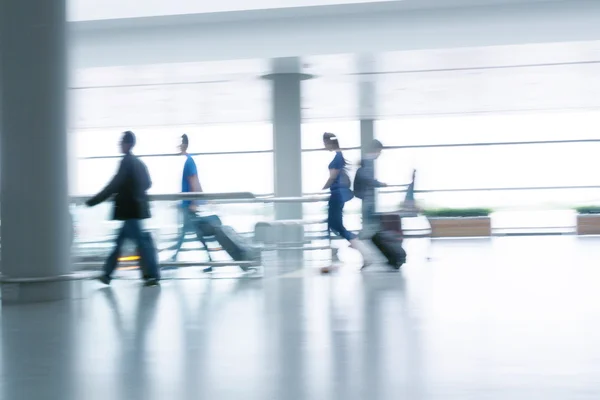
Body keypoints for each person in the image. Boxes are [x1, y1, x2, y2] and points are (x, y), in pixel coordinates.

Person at [86, 131, 160, 287]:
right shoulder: (139, 163)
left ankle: (151, 275)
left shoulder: (126, 162)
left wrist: (93, 201)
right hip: (136, 210)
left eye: (121, 142)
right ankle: (107, 274)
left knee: (138, 243)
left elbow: (113, 185)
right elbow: (148, 183)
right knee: (121, 243)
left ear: (127, 144)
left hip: (130, 211)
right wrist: (136, 191)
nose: (119, 145)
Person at [322, 132, 371, 272]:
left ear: (329, 142)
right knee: (333, 225)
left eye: (325, 142)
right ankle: (336, 255)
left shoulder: (337, 157)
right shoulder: (339, 156)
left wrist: (321, 190)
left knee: (337, 226)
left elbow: (332, 177)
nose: (324, 146)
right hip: (337, 196)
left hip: (336, 196)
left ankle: (365, 254)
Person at [170, 134, 208, 269]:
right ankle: (210, 260)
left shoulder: (189, 161)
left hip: (188, 205)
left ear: (184, 145)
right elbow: (193, 181)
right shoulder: (188, 161)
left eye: (180, 144)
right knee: (194, 233)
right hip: (187, 203)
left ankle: (174, 259)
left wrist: (193, 203)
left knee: (185, 233)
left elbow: (193, 181)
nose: (178, 146)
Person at [355, 139, 387, 237]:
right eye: (379, 151)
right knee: (368, 217)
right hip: (367, 194)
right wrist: (380, 184)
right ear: (375, 149)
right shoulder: (368, 161)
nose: (379, 154)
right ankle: (364, 236)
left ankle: (365, 235)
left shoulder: (365, 160)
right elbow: (367, 179)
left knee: (367, 217)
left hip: (365, 194)